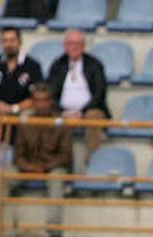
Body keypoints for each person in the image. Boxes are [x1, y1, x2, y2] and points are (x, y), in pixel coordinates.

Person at [45, 29, 109, 175]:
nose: (74, 47)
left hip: (88, 111)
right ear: (65, 46)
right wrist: (63, 112)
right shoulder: (58, 64)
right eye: (70, 43)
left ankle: (92, 161)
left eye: (77, 43)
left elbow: (100, 93)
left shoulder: (94, 64)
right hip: (62, 111)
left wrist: (82, 112)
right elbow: (50, 93)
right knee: (44, 114)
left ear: (83, 46)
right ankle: (57, 163)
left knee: (94, 116)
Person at [13, 82, 71, 237]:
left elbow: (65, 156)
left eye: (45, 100)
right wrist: (28, 167)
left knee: (57, 177)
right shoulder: (25, 123)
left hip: (52, 167)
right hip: (28, 166)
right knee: (3, 175)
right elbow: (18, 155)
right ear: (32, 102)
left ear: (51, 102)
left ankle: (54, 228)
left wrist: (45, 167)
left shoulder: (61, 123)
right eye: (37, 101)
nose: (41, 105)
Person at [0, 27, 43, 142]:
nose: (9, 44)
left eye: (12, 40)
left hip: (20, 109)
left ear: (20, 42)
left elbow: (36, 98)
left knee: (28, 118)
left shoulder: (33, 65)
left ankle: (20, 151)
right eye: (5, 41)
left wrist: (12, 108)